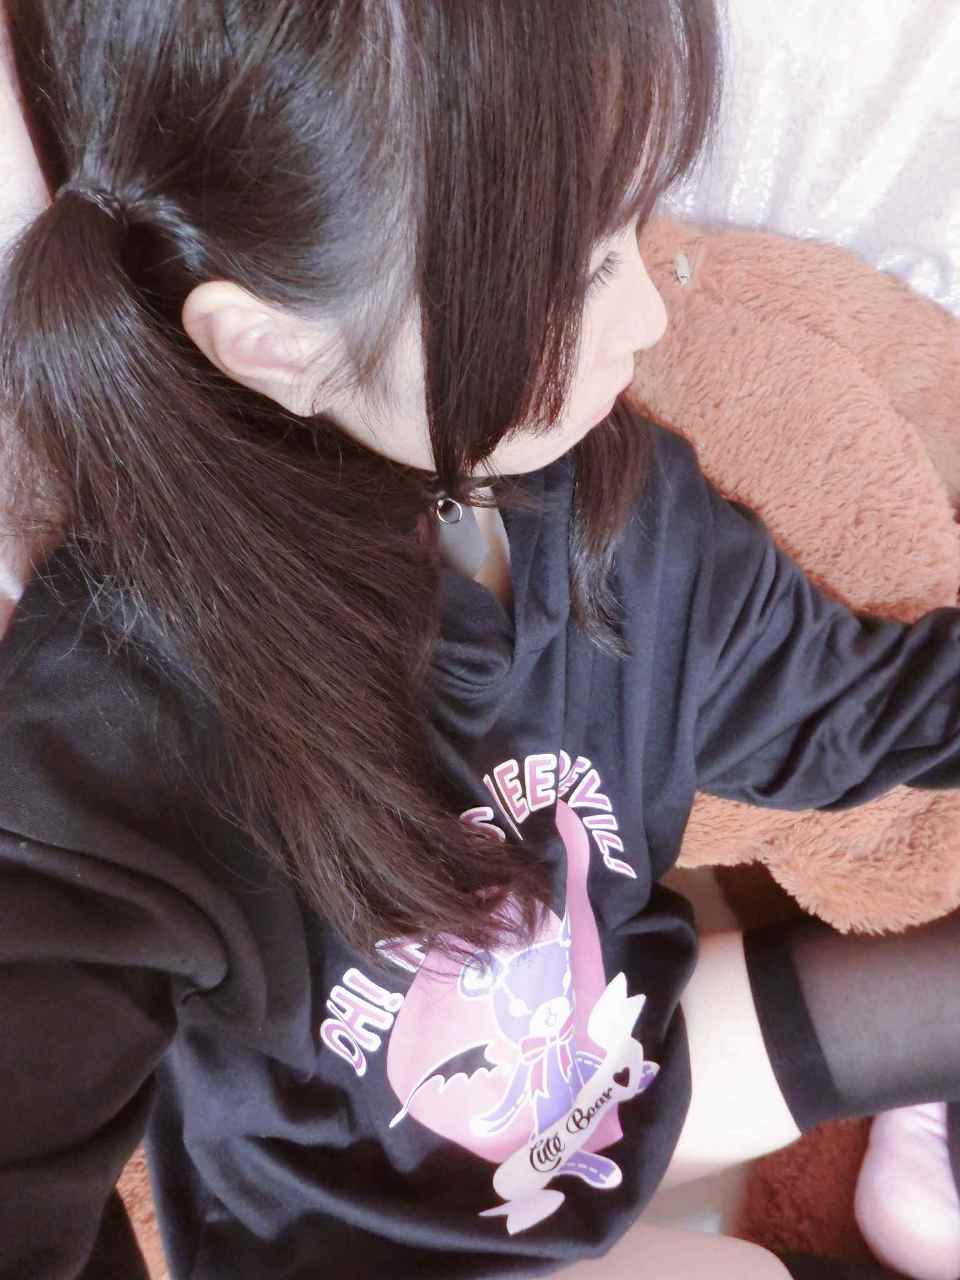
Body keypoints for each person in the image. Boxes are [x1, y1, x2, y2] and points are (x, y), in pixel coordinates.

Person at [0, 2, 959, 1278]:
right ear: (276, 344)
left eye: (632, 228)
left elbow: (847, 709)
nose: (650, 318)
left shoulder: (612, 507)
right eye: (579, 274)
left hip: (604, 1059)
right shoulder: (115, 727)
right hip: (381, 1239)